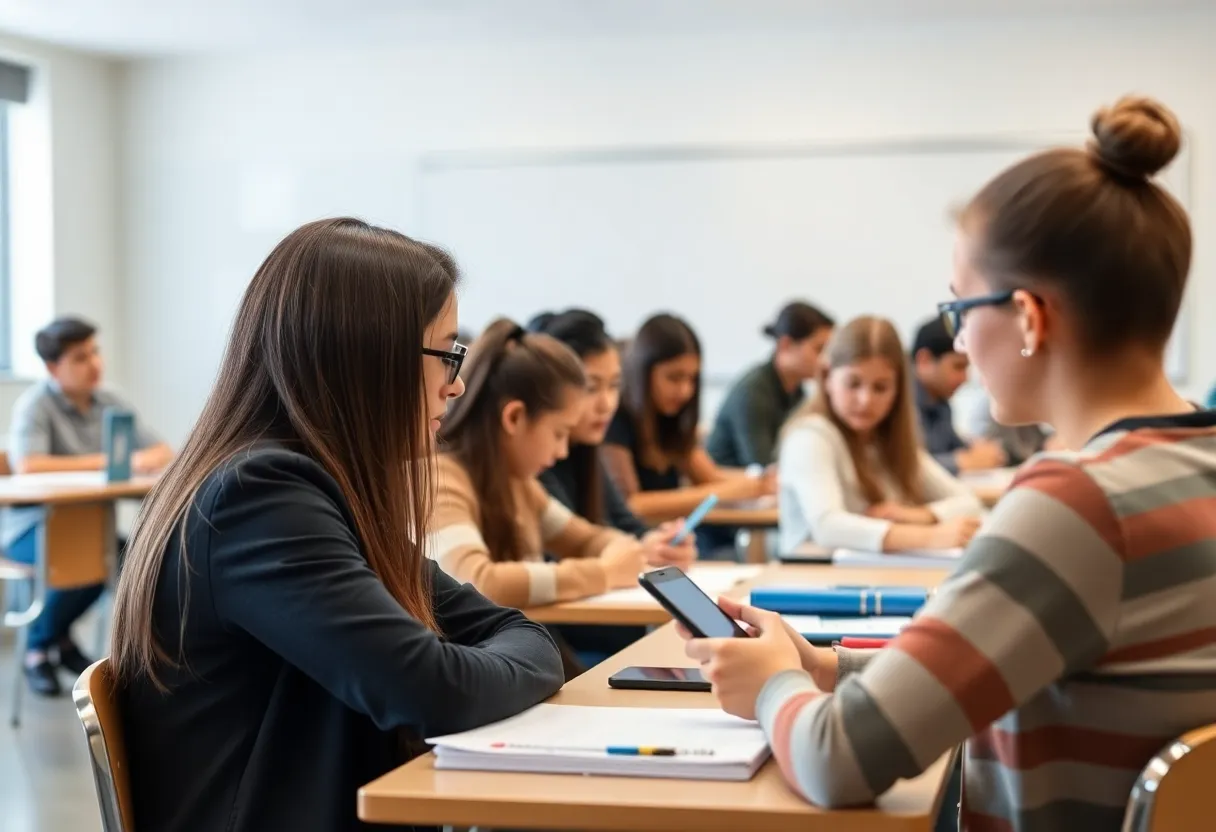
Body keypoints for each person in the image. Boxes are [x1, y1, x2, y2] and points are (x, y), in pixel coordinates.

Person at [679, 96, 1216, 832]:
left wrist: (772, 686)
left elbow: (836, 761)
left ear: (1029, 317)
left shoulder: (1079, 507)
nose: (958, 344)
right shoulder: (1189, 467)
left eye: (962, 308)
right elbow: (1020, 667)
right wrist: (822, 668)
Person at [113, 219, 564, 832]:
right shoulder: (259, 498)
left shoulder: (309, 490)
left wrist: (520, 657)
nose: (455, 385)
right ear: (367, 357)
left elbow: (506, 629)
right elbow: (433, 692)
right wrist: (524, 661)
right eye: (447, 355)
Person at [4, 317, 173, 696]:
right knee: (92, 562)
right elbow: (27, 465)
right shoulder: (36, 405)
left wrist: (139, 459)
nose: (94, 364)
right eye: (80, 357)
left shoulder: (110, 399)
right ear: (52, 367)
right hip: (28, 530)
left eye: (95, 352)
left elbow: (161, 450)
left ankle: (56, 643)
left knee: (132, 558)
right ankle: (39, 649)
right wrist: (106, 460)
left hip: (90, 530)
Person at [777, 316, 983, 554]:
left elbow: (970, 504)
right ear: (827, 378)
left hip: (872, 576)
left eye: (881, 387)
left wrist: (918, 515)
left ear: (898, 390)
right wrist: (928, 536)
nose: (866, 400)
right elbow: (827, 526)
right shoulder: (810, 436)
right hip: (811, 579)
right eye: (853, 384)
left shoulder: (886, 440)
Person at [529, 308, 696, 565]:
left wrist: (660, 544)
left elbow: (628, 525)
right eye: (591, 387)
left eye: (614, 385)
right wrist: (641, 550)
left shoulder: (586, 449)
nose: (606, 404)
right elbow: (564, 549)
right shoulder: (535, 459)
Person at [603, 313, 774, 559]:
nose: (684, 390)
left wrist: (757, 482)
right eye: (674, 377)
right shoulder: (616, 418)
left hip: (671, 545)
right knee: (726, 556)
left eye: (691, 379)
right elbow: (632, 504)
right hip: (634, 549)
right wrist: (725, 492)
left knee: (729, 556)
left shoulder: (670, 419)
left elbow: (709, 477)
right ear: (643, 372)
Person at [707, 301, 835, 469]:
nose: (826, 360)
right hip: (729, 490)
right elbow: (762, 465)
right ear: (786, 345)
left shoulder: (796, 392)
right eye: (819, 349)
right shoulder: (753, 393)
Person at [910, 316, 1007, 474]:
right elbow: (906, 465)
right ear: (924, 360)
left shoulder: (940, 403)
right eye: (957, 367)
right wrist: (962, 461)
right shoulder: (899, 402)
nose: (964, 378)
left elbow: (955, 446)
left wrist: (978, 450)